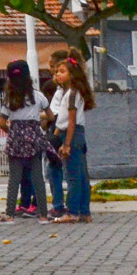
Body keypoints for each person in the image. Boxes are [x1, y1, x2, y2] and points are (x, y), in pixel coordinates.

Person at [47, 56, 94, 224]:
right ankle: (84, 212)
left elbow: (71, 121)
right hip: (70, 133)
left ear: (72, 74)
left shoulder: (72, 93)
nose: (57, 75)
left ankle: (73, 211)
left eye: (62, 71)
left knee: (74, 175)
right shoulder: (69, 93)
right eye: (57, 71)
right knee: (81, 176)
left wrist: (66, 144)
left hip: (72, 135)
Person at [0, 60, 47, 220]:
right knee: (37, 176)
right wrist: (38, 125)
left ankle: (10, 214)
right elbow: (50, 115)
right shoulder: (38, 96)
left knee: (14, 177)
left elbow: (2, 123)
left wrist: (12, 131)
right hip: (33, 137)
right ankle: (43, 214)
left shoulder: (9, 98)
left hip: (16, 139)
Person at [41, 49, 69, 219]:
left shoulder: (60, 90)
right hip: (60, 131)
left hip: (59, 132)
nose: (52, 71)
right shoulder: (63, 88)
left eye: (55, 68)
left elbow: (57, 114)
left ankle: (59, 205)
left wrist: (37, 116)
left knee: (54, 169)